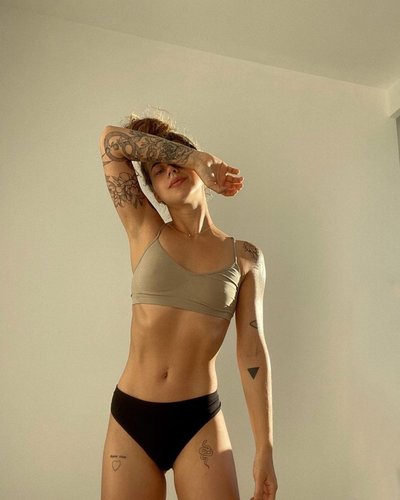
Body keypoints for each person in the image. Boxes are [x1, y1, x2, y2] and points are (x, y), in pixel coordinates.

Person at [99, 112, 278, 500]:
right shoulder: (144, 228)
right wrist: (193, 157)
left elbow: (252, 352)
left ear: (202, 174)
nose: (170, 170)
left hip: (198, 420)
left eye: (178, 161)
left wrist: (265, 448)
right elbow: (110, 142)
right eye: (158, 169)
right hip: (131, 418)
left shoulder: (246, 258)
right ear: (155, 194)